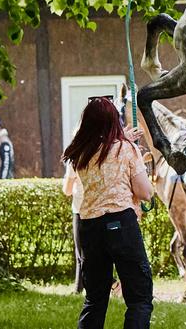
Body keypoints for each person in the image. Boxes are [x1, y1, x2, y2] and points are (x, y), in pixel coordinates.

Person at [62, 96, 154, 329]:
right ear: (114, 121)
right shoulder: (126, 149)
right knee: (139, 298)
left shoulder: (78, 153)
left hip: (89, 227)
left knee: (95, 299)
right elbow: (145, 193)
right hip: (121, 223)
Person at [62, 162, 85, 294]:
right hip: (100, 210)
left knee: (81, 253)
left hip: (80, 210)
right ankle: (78, 288)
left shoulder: (75, 159)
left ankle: (113, 283)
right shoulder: (101, 153)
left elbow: (67, 190)